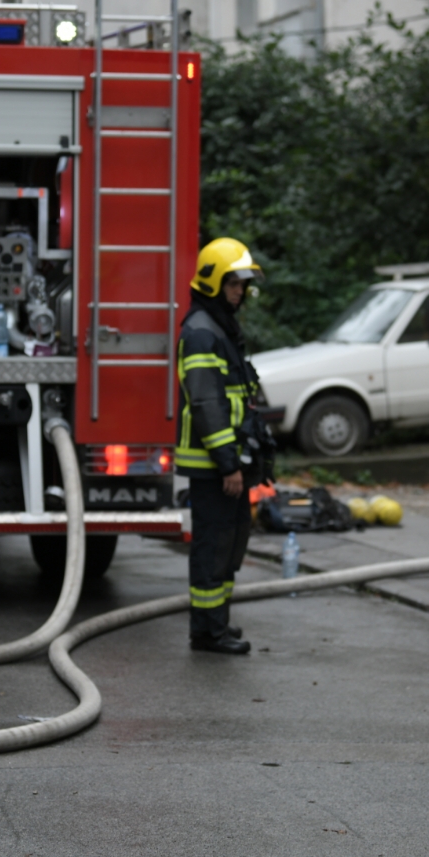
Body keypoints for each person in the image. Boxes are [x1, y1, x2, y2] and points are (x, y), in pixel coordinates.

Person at [175, 237, 271, 655]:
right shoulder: (200, 332)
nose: (241, 292)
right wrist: (229, 463)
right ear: (214, 282)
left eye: (244, 285)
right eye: (235, 284)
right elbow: (206, 404)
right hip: (215, 466)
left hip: (230, 463)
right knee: (213, 547)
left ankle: (218, 623)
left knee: (231, 544)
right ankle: (207, 632)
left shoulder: (219, 327)